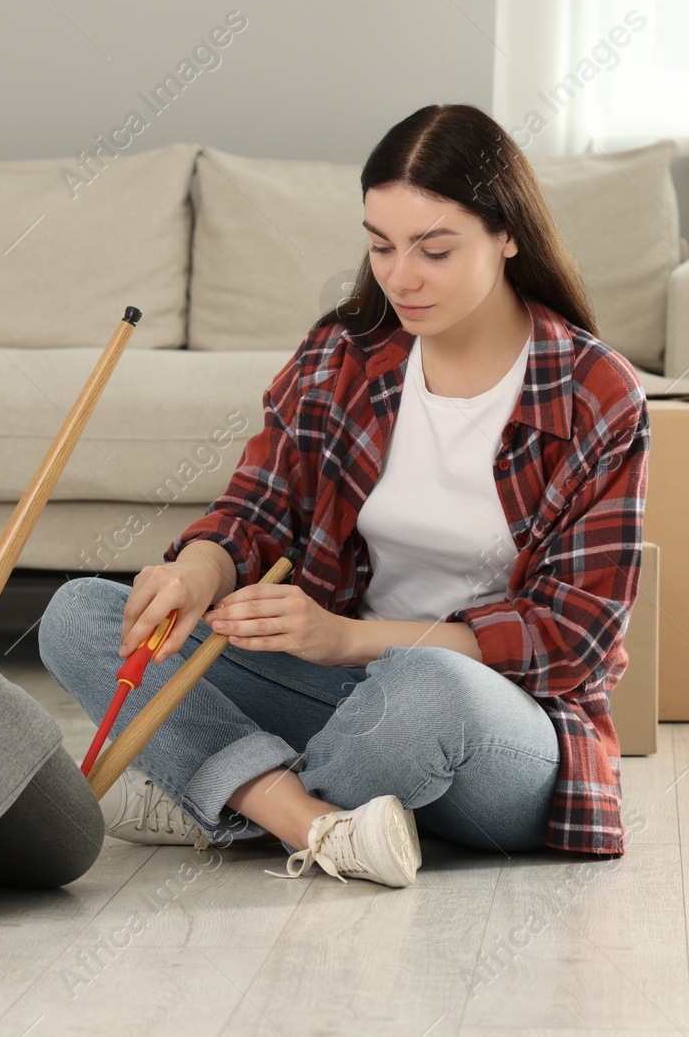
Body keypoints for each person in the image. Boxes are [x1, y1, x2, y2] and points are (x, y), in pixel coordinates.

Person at [37, 102, 649, 889]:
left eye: (434, 249)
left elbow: (575, 636)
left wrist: (344, 638)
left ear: (508, 234)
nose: (400, 276)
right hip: (336, 695)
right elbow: (255, 512)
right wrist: (194, 574)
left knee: (422, 689)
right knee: (83, 615)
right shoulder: (343, 356)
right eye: (380, 245)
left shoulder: (596, 393)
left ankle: (218, 789)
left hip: (494, 722)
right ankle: (313, 822)